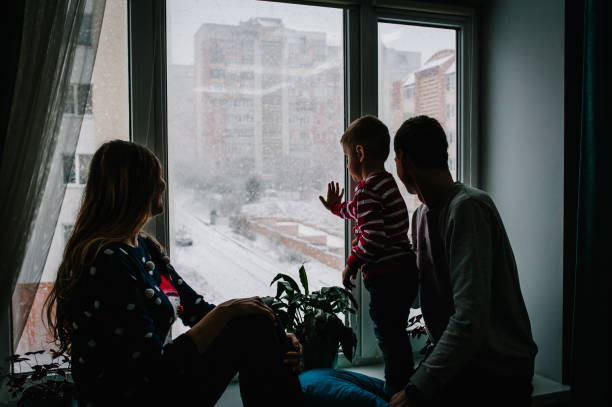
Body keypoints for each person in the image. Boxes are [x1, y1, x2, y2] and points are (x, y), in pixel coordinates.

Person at [44, 140, 304, 406]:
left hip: (161, 385)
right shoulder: (105, 263)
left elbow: (195, 309)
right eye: (155, 177)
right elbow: (154, 368)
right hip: (135, 396)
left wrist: (279, 339)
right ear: (132, 188)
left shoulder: (144, 248)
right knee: (246, 319)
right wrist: (227, 312)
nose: (163, 184)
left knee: (255, 319)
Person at [389, 116, 538, 407]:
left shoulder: (468, 208)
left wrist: (417, 388)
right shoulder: (420, 217)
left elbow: (469, 319)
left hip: (497, 374)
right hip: (463, 366)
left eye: (395, 158)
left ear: (403, 160)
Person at [319, 115, 419, 397]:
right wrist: (336, 208)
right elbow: (358, 211)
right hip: (405, 269)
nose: (348, 164)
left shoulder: (367, 190)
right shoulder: (385, 184)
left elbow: (372, 238)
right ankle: (403, 381)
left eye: (347, 157)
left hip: (387, 277)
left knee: (388, 335)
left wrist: (351, 264)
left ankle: (397, 387)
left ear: (360, 153)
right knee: (396, 332)